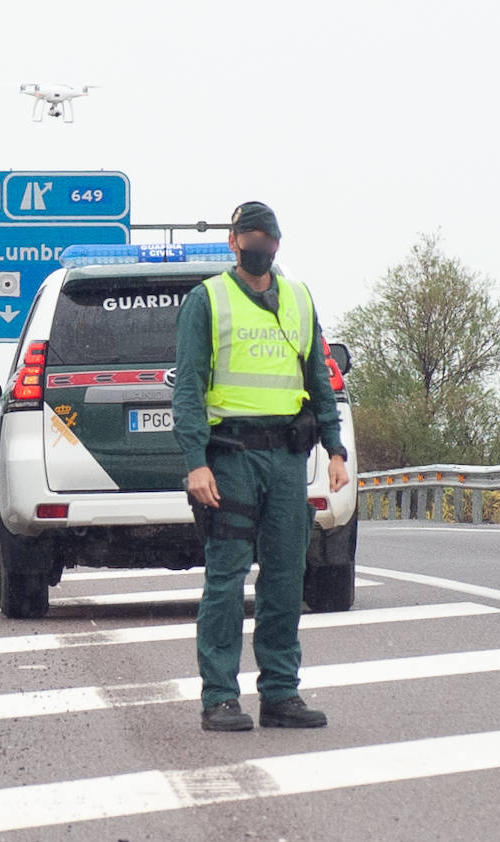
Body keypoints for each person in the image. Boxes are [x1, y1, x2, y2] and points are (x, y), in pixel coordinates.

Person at [172, 201, 350, 732]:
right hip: (231, 459)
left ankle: (280, 693)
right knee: (226, 578)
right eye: (249, 236)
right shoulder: (207, 300)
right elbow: (187, 387)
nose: (258, 245)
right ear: (233, 241)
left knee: (284, 576)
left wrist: (335, 449)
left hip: (288, 458)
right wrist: (194, 462)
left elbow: (319, 376)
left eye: (266, 238)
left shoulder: (298, 297)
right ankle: (220, 697)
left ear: (277, 243)